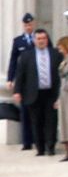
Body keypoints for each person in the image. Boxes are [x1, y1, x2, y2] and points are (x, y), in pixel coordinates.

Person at [12, 29, 61, 156]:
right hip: (34, 93)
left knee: (51, 120)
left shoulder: (55, 54)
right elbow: (20, 74)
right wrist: (17, 91)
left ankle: (50, 146)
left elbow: (61, 74)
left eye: (43, 38)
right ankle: (40, 148)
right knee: (36, 121)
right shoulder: (26, 56)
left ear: (47, 39)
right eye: (38, 39)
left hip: (51, 93)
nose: (41, 41)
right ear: (34, 41)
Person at [6, 13, 36, 150]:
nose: (28, 27)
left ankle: (38, 139)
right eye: (26, 25)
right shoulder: (18, 41)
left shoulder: (40, 38)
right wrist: (10, 78)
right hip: (23, 80)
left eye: (30, 24)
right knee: (25, 111)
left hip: (37, 79)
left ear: (33, 24)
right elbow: (13, 60)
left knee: (37, 111)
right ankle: (27, 141)